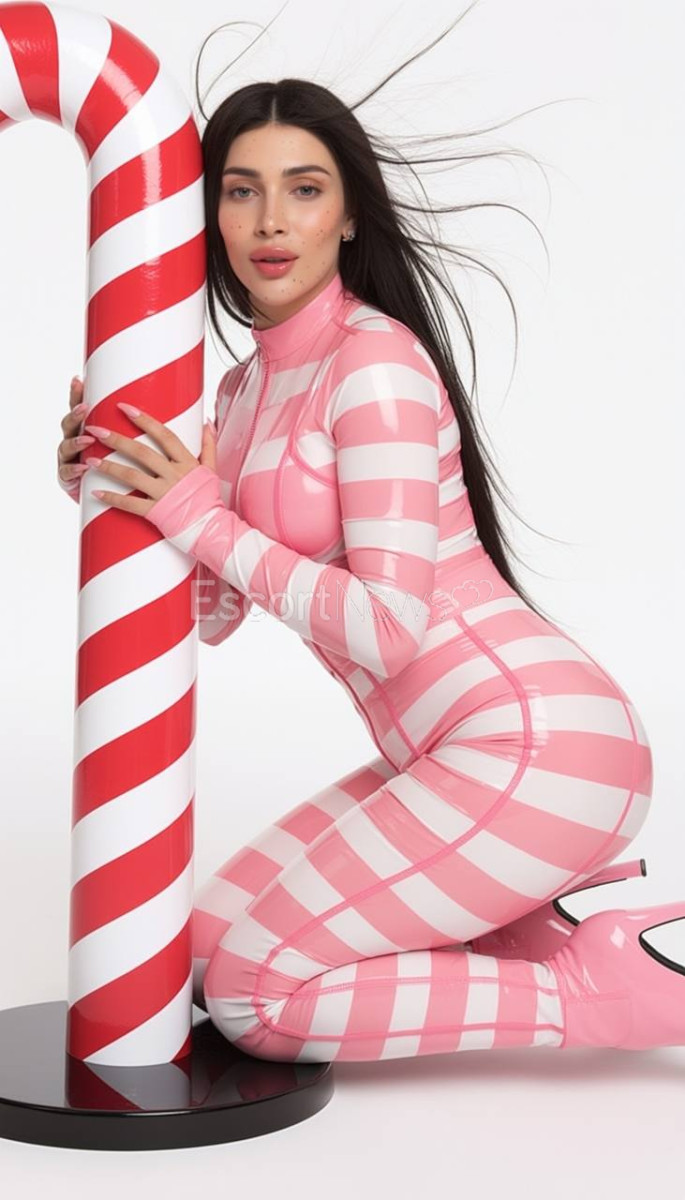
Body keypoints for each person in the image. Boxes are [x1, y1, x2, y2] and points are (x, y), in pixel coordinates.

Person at [57, 40, 681, 1065]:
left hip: (536, 748)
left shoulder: (374, 363)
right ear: (208, 214)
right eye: (241, 191)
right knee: (196, 956)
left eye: (303, 190)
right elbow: (214, 614)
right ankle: (524, 923)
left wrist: (198, 512)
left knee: (258, 998)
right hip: (438, 757)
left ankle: (605, 990)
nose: (270, 221)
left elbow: (388, 630)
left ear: (347, 214)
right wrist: (119, 489)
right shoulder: (243, 392)